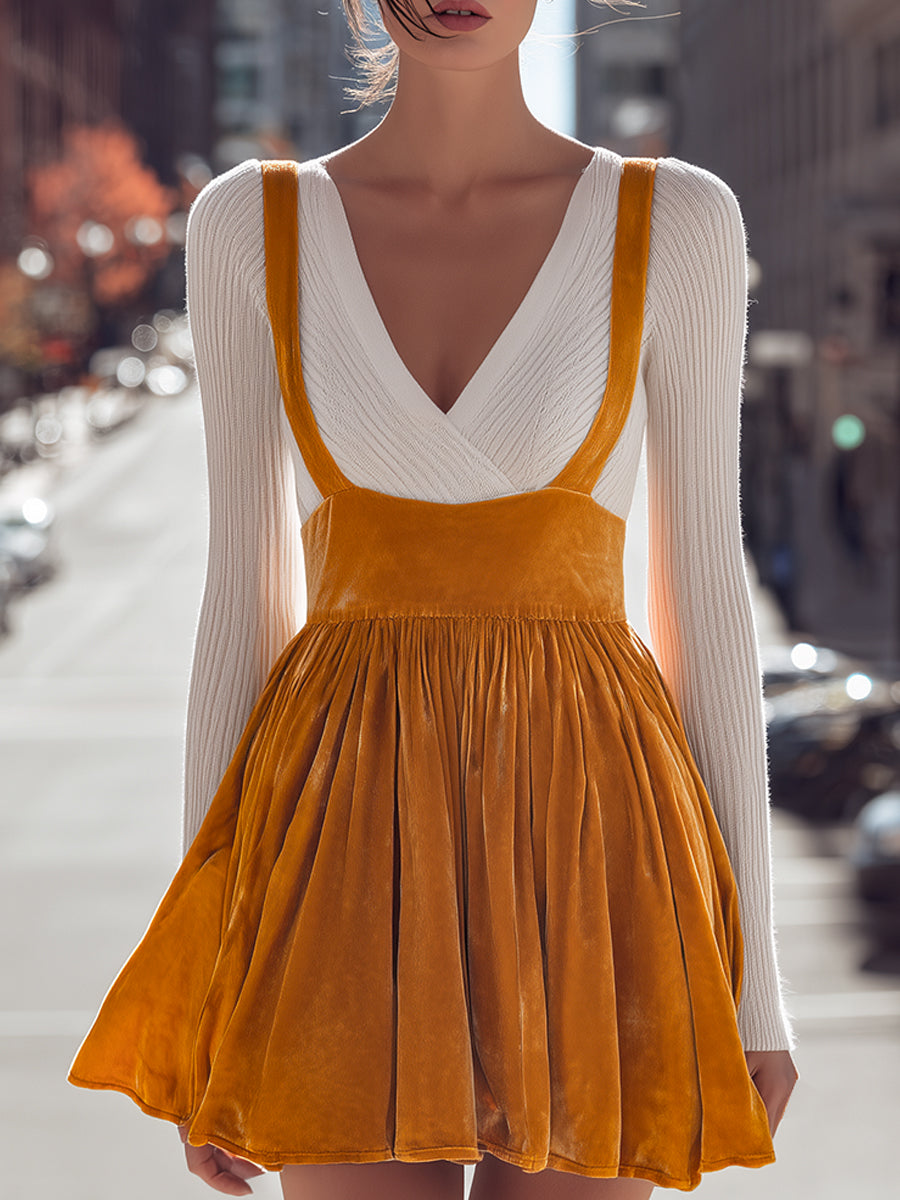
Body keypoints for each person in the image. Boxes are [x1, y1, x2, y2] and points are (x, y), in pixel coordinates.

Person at [67, 2, 799, 1197]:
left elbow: (706, 604)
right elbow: (240, 607)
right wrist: (208, 982)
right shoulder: (251, 225)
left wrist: (753, 985)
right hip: (336, 836)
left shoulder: (676, 221)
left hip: (593, 829)